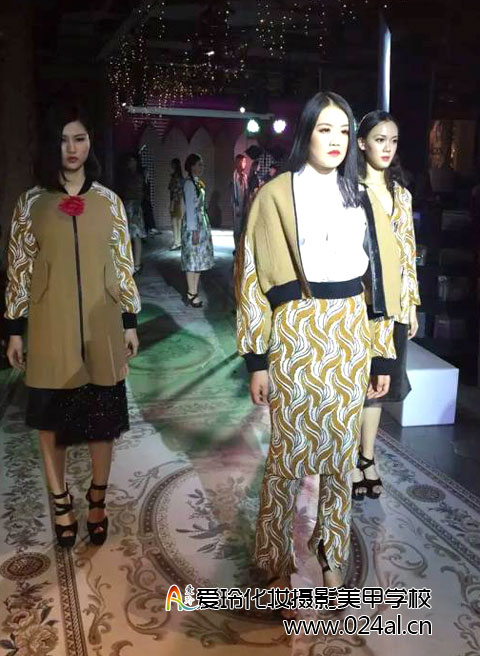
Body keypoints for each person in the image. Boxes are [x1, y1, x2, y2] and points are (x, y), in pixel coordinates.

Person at [236, 91, 400, 612]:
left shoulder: (362, 196)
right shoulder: (275, 194)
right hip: (297, 330)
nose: (336, 140)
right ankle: (274, 559)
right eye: (325, 129)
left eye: (344, 130)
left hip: (349, 332)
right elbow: (251, 278)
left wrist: (381, 354)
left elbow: (377, 283)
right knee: (287, 455)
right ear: (306, 132)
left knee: (340, 455)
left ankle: (330, 551)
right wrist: (256, 360)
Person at [4, 104, 141, 548]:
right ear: (53, 145)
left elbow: (123, 263)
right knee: (52, 420)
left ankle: (97, 499)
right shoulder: (32, 202)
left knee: (102, 418)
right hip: (50, 324)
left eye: (79, 138)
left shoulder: (108, 202)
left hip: (102, 323)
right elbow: (19, 268)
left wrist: (129, 321)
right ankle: (61, 502)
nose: (71, 148)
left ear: (90, 143)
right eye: (63, 140)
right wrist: (14, 327)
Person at [353, 110, 420, 500]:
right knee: (354, 383)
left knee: (379, 386)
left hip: (392, 304)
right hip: (356, 302)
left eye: (393, 141)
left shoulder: (401, 194)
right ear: (362, 143)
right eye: (380, 139)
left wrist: (410, 305)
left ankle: (367, 457)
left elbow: (407, 251)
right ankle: (349, 459)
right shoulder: (348, 190)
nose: (387, 148)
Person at [181, 153, 214, 308]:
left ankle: (193, 291)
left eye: (202, 165)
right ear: (192, 166)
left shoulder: (198, 183)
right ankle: (191, 292)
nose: (202, 167)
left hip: (202, 223)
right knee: (192, 259)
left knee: (199, 259)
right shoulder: (189, 184)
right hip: (193, 225)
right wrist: (194, 230)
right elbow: (189, 208)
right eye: (199, 164)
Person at [120, 154, 147, 274]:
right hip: (127, 206)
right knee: (129, 235)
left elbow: (139, 193)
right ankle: (132, 262)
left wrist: (136, 210)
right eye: (129, 161)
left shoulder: (138, 177)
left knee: (136, 235)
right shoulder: (127, 176)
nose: (130, 163)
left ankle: (137, 264)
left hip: (134, 206)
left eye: (132, 161)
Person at [231, 153, 248, 251]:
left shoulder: (245, 176)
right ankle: (236, 247)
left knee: (242, 227)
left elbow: (246, 191)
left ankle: (241, 247)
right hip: (236, 205)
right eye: (242, 161)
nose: (244, 164)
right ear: (237, 162)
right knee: (237, 228)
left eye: (245, 162)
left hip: (244, 204)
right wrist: (236, 206)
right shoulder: (234, 176)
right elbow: (233, 192)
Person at [168, 158, 184, 250]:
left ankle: (176, 242)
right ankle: (178, 241)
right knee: (178, 222)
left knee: (175, 222)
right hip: (180, 201)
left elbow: (173, 191)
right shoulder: (180, 177)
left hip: (175, 201)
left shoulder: (175, 177)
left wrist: (172, 203)